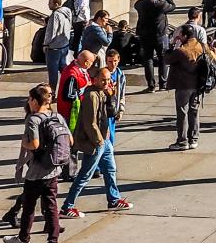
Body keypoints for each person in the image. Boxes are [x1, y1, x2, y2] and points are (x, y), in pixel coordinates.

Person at [61, 65, 131, 216]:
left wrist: (111, 95)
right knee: (85, 175)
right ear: (95, 80)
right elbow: (90, 123)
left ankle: (114, 199)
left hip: (104, 141)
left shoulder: (103, 93)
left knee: (110, 169)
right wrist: (99, 141)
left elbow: (111, 113)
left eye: (108, 80)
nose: (107, 83)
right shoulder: (92, 96)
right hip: (96, 142)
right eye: (103, 80)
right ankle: (67, 206)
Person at [12, 83, 67, 243]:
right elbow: (69, 139)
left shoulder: (33, 119)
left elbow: (34, 144)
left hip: (37, 171)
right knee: (51, 206)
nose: (28, 102)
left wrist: (25, 144)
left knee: (29, 207)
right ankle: (53, 238)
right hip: (54, 169)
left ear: (36, 101)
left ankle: (23, 238)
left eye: (30, 99)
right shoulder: (57, 116)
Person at [165, 34, 211, 150]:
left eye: (180, 35)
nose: (178, 37)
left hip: (183, 85)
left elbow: (166, 59)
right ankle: (193, 139)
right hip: (197, 85)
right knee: (194, 112)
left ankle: (182, 141)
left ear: (185, 36)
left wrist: (173, 46)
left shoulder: (181, 51)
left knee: (182, 113)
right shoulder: (199, 46)